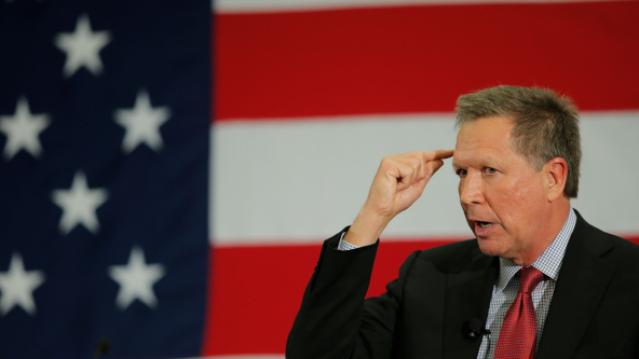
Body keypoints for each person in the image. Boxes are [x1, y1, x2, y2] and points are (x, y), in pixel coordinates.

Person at [286, 85, 639, 359]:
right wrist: (371, 218)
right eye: (461, 172)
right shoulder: (430, 277)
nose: (467, 194)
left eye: (489, 171)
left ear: (553, 178)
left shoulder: (629, 279)